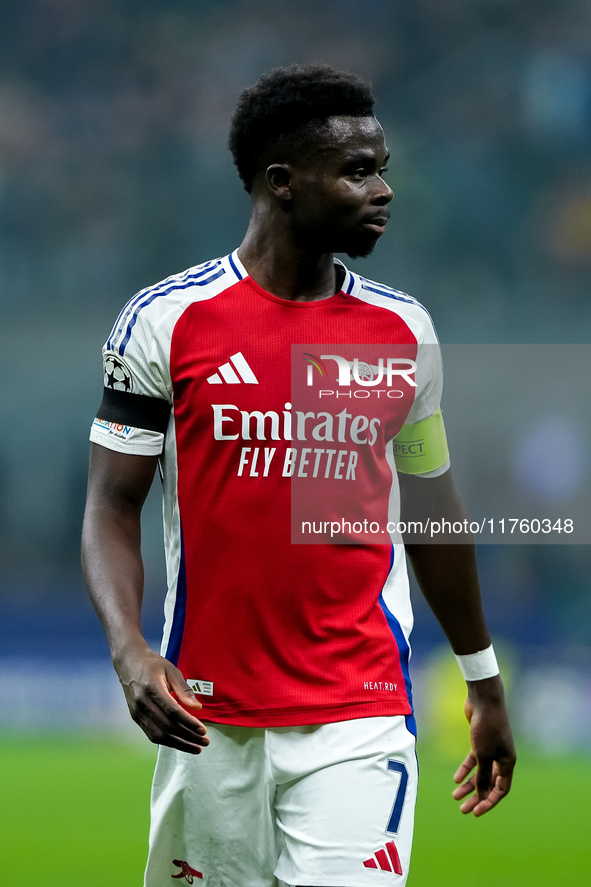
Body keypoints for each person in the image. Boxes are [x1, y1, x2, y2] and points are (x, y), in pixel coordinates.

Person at [82, 64, 516, 887]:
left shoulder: (400, 330)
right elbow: (111, 503)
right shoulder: (165, 322)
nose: (383, 189)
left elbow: (430, 509)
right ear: (281, 184)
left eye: (381, 166)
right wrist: (129, 650)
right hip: (204, 714)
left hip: (358, 709)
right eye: (358, 171)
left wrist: (482, 680)